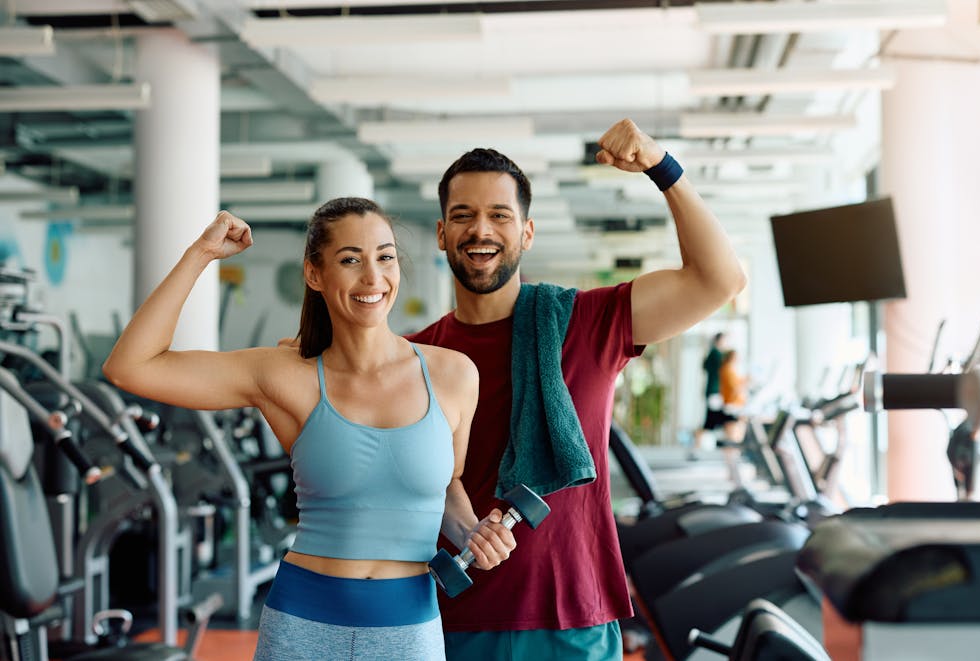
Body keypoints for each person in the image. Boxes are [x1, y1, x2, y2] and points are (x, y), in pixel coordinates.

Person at [102, 198, 516, 660]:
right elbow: (130, 367)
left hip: (408, 627)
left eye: (385, 257)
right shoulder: (283, 374)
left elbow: (446, 488)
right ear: (314, 274)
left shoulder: (454, 375)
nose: (372, 278)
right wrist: (200, 254)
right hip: (302, 623)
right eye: (350, 260)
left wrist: (473, 533)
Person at [407, 118, 747, 660]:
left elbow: (719, 279)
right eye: (462, 216)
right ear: (442, 233)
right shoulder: (414, 356)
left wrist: (663, 167)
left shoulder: (586, 322)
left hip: (574, 618)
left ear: (526, 233)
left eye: (500, 215)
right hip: (454, 615)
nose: (481, 230)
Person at [693, 331, 728, 459]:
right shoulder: (717, 354)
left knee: (711, 422)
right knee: (711, 422)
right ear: (719, 341)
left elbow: (705, 367)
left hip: (712, 391)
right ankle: (696, 446)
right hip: (715, 393)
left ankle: (696, 447)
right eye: (725, 340)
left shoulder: (712, 353)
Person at [719, 348, 749, 443]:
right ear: (731, 358)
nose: (739, 359)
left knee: (737, 436)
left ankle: (733, 453)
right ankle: (731, 454)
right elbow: (734, 388)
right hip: (732, 405)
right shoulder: (727, 369)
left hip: (736, 405)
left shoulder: (731, 369)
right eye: (736, 357)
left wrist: (745, 380)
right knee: (733, 437)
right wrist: (745, 383)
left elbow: (737, 382)